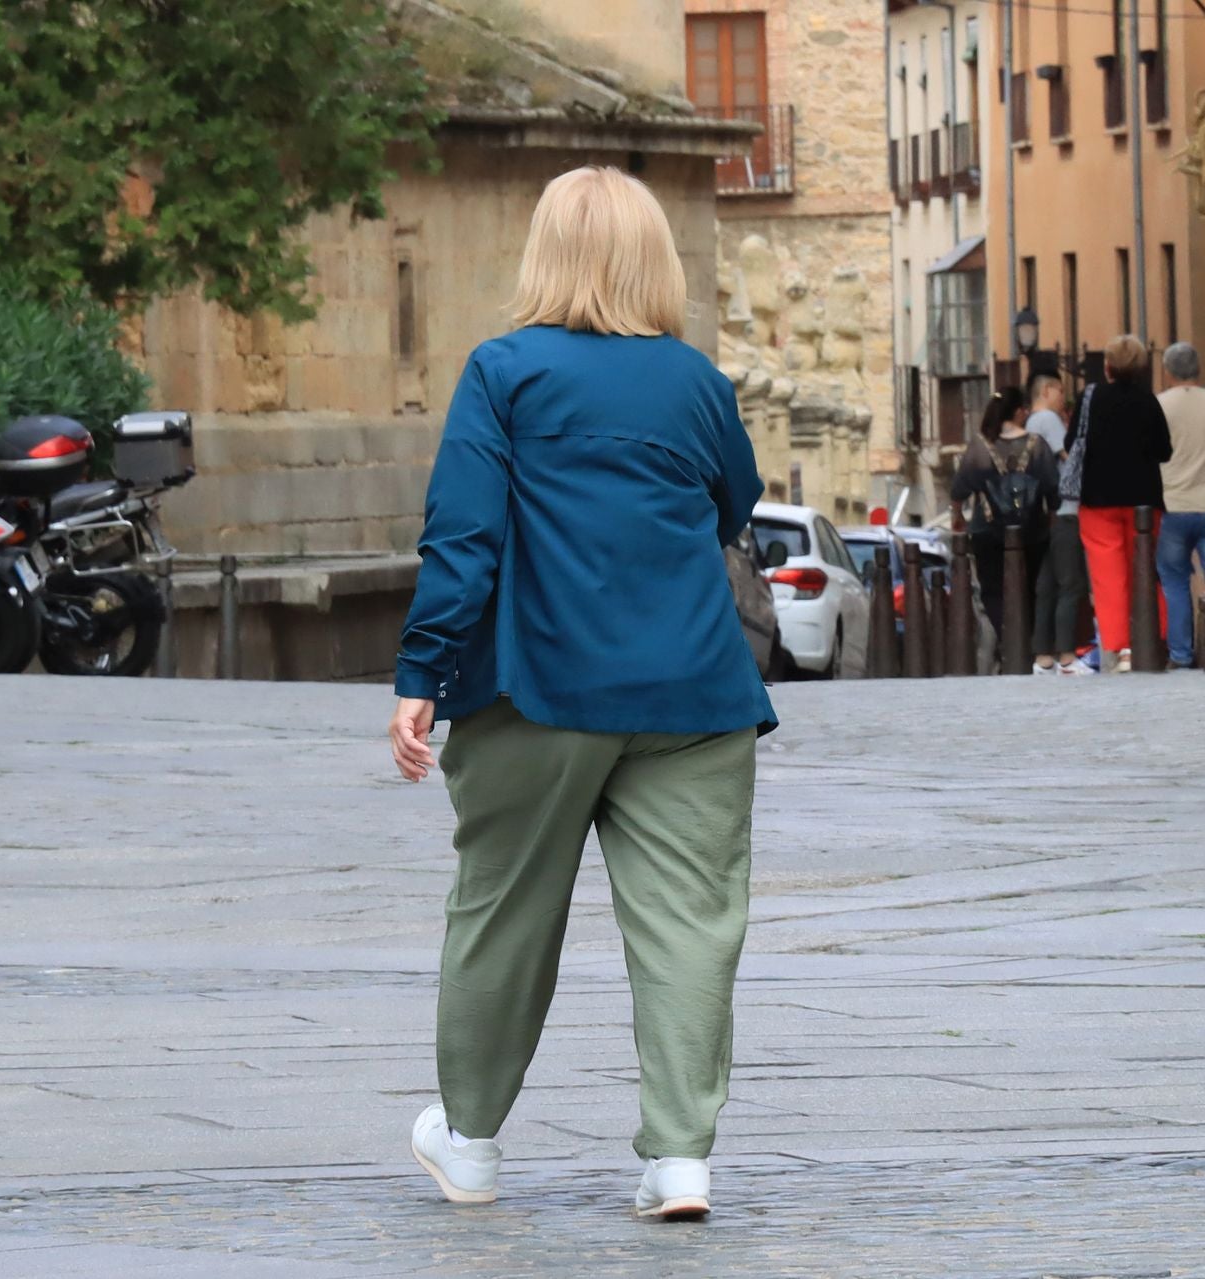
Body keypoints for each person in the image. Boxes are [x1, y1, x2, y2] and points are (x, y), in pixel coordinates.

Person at [387, 166, 774, 1221]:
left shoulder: (503, 373)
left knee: (504, 909)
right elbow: (734, 500)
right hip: (694, 690)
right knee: (693, 924)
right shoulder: (695, 380)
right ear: (654, 262)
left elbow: (462, 540)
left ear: (544, 256)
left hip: (538, 688)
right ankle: (681, 1160)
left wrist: (423, 674)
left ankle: (467, 1143)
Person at [1069, 334, 1173, 673]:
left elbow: (1073, 442)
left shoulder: (1091, 398)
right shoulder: (1148, 401)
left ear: (1108, 366)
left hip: (1098, 498)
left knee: (1108, 576)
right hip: (1144, 500)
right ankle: (1152, 639)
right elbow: (1164, 451)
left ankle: (1117, 649)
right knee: (1145, 570)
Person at [951, 388, 1059, 654]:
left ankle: (1006, 639)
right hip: (1031, 531)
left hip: (987, 530)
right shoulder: (1037, 445)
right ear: (1020, 412)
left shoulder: (980, 446)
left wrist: (957, 517)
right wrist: (1051, 520)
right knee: (1030, 587)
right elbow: (1052, 488)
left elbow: (959, 489)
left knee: (993, 589)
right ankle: (1027, 640)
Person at [1154, 342, 1205, 669]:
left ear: (1168, 370)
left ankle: (1180, 654)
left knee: (1174, 581)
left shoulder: (1158, 405)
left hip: (1172, 504)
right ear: (1198, 367)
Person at [1025, 373, 1092, 675]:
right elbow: (1069, 455)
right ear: (1047, 390)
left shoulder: (1029, 423)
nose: (1063, 396)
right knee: (1070, 583)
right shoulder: (1049, 421)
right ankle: (1066, 655)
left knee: (1047, 585)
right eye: (1060, 390)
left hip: (1044, 515)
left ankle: (1043, 656)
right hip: (1066, 510)